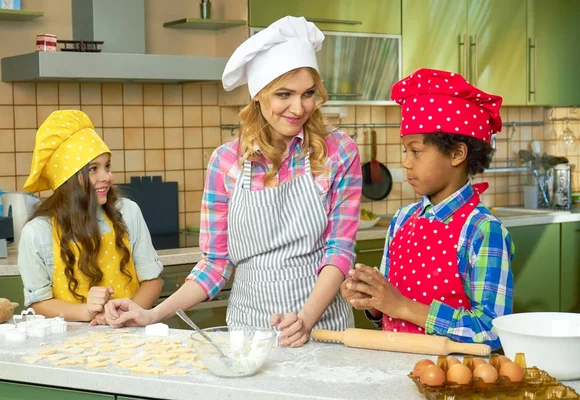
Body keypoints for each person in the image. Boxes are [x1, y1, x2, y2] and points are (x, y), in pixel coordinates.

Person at [105, 16, 362, 347]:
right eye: (284, 94)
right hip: (248, 333)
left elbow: (339, 249)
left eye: (309, 93)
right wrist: (152, 313)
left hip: (323, 327)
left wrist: (305, 320)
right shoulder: (226, 163)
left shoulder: (338, 151)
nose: (299, 108)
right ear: (258, 95)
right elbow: (215, 264)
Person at [341, 68, 514, 350]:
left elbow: (492, 331)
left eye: (416, 151)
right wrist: (372, 300)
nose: (406, 163)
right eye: (405, 151)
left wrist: (404, 307)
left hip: (452, 379)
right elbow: (389, 311)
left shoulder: (482, 230)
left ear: (457, 154)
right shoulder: (401, 220)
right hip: (393, 370)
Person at [17, 110, 163, 325]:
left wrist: (127, 316)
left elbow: (152, 280)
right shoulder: (38, 233)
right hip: (69, 345)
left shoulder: (128, 212)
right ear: (66, 180)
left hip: (130, 336)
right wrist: (86, 311)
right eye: (93, 169)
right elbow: (39, 303)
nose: (106, 177)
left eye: (107, 166)